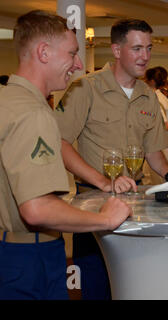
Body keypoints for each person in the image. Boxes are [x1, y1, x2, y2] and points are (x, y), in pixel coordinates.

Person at [0, 10, 131, 300]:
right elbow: (36, 209)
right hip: (28, 257)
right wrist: (104, 219)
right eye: (72, 54)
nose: (79, 65)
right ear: (43, 52)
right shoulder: (32, 113)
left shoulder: (8, 99)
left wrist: (99, 180)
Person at [53, 19, 168, 300]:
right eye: (136, 48)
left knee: (135, 287)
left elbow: (153, 153)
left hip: (137, 205)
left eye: (148, 48)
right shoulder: (85, 88)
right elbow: (59, 142)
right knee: (97, 287)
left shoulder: (149, 97)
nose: (145, 56)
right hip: (93, 204)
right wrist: (102, 181)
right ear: (116, 50)